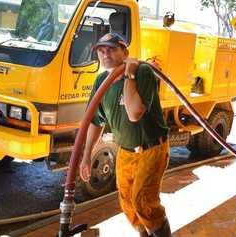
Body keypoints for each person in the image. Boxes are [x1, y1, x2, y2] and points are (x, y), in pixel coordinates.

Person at [79, 32, 172, 237]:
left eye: (111, 49)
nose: (105, 54)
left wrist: (129, 74)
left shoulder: (143, 72)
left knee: (143, 202)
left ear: (125, 51)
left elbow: (134, 113)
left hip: (151, 148)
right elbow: (96, 121)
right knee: (128, 203)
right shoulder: (102, 81)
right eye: (101, 51)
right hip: (126, 150)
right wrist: (86, 156)